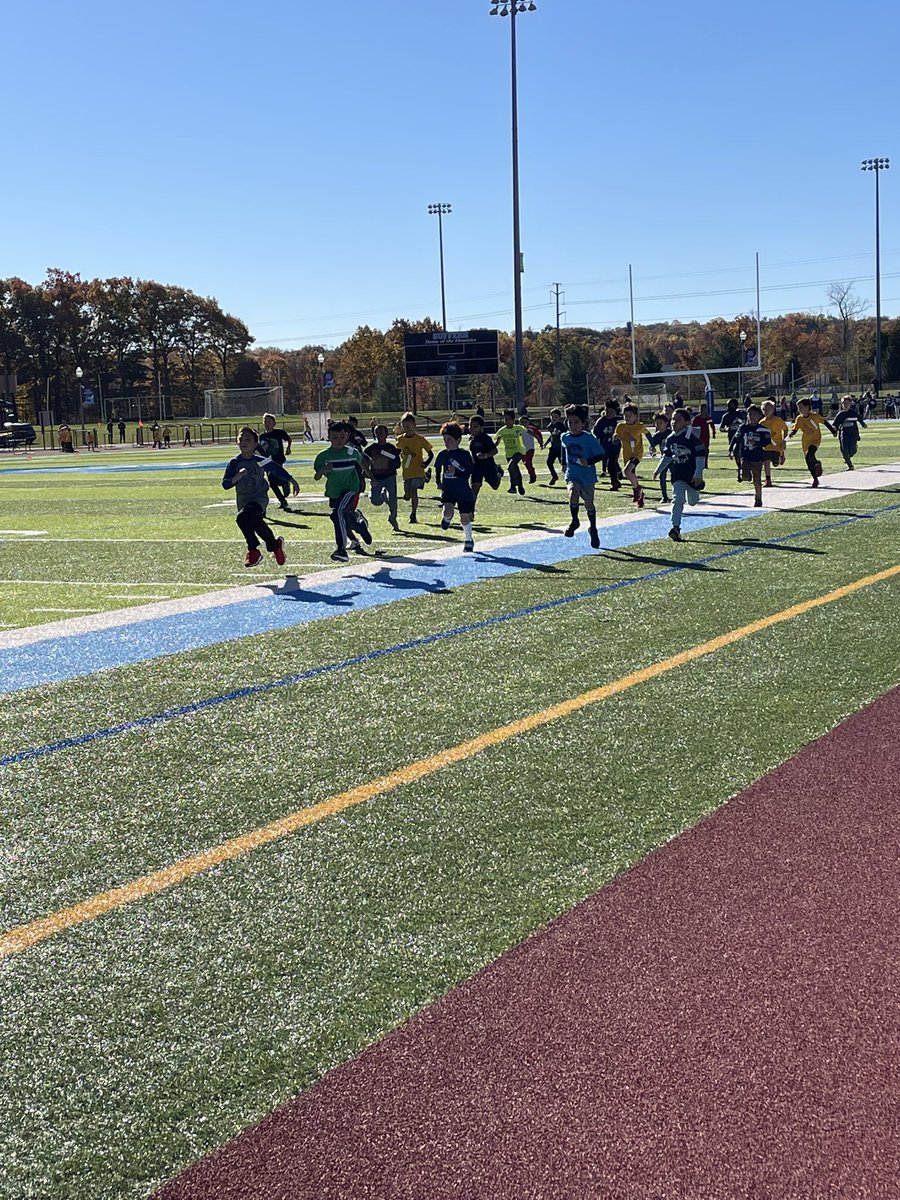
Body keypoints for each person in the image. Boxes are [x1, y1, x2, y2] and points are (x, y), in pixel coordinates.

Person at [222, 426, 298, 568]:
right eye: (241, 439)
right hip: (243, 500)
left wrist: (291, 480)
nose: (243, 442)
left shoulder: (260, 460)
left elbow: (276, 469)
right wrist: (237, 476)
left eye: (248, 439)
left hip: (259, 498)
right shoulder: (234, 463)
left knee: (241, 518)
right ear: (237, 442)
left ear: (255, 444)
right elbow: (226, 484)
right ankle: (275, 545)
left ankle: (253, 550)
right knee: (257, 525)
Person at [315, 420, 373, 562]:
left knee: (338, 513)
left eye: (342, 437)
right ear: (329, 437)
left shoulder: (352, 452)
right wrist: (324, 470)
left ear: (346, 437)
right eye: (335, 438)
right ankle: (359, 525)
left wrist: (372, 478)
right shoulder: (323, 456)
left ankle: (341, 549)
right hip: (334, 492)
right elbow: (317, 476)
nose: (339, 441)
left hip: (351, 490)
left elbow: (363, 463)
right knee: (340, 517)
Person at [655, 407, 707, 543]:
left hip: (691, 475)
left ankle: (698, 487)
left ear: (687, 422)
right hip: (677, 474)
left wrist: (698, 473)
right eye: (673, 419)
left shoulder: (690, 436)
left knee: (692, 501)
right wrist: (658, 469)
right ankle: (675, 528)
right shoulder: (670, 438)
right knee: (677, 500)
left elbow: (700, 456)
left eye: (678, 420)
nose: (674, 422)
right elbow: (667, 457)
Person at [560, 404, 604, 549]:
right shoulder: (565, 437)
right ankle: (575, 521)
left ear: (583, 423)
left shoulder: (588, 438)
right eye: (570, 422)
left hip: (587, 477)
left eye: (576, 422)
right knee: (572, 493)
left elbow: (601, 454)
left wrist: (588, 461)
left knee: (589, 504)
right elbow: (563, 448)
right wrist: (563, 462)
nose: (573, 426)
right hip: (572, 474)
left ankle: (593, 528)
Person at [434, 422, 477, 552]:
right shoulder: (443, 455)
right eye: (444, 440)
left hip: (463, 490)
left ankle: (468, 540)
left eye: (449, 440)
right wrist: (438, 482)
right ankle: (447, 518)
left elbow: (469, 471)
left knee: (464, 517)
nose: (446, 443)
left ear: (458, 440)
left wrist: (457, 472)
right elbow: (437, 468)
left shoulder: (464, 455)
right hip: (449, 489)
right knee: (448, 511)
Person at [395, 411, 434, 524]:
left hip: (418, 470)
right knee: (407, 495)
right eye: (404, 426)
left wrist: (426, 463)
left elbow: (431, 454)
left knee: (413, 491)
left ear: (414, 425)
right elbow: (396, 452)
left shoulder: (420, 439)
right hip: (407, 471)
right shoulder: (400, 439)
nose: (406, 428)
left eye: (409, 425)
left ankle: (413, 514)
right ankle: (426, 477)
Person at [789, 398, 836, 487]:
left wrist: (833, 431)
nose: (799, 410)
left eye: (801, 407)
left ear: (807, 407)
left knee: (810, 454)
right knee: (808, 460)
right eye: (798, 408)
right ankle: (815, 478)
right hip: (805, 441)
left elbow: (825, 422)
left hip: (815, 440)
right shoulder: (799, 419)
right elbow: (795, 428)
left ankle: (817, 463)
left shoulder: (814, 417)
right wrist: (792, 433)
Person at [732, 404, 772, 507]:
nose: (751, 416)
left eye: (754, 414)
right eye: (749, 414)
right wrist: (731, 449)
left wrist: (757, 441)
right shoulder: (743, 428)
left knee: (757, 480)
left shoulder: (762, 429)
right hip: (745, 456)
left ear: (759, 416)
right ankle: (746, 474)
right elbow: (736, 439)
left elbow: (767, 441)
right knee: (745, 476)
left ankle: (758, 498)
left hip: (757, 457)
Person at [365, 423, 401, 530]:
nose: (379, 434)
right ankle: (382, 496)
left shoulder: (391, 448)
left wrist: (389, 458)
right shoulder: (371, 449)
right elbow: (362, 459)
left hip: (390, 476)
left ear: (386, 434)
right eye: (377, 432)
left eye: (382, 431)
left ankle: (393, 518)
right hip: (376, 477)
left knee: (393, 500)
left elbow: (397, 463)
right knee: (375, 500)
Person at [614, 403, 651, 507]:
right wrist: (621, 438)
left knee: (627, 471)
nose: (627, 418)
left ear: (635, 416)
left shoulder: (639, 426)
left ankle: (637, 490)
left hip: (637, 454)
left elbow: (648, 434)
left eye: (630, 415)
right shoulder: (620, 426)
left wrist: (652, 445)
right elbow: (615, 437)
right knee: (631, 475)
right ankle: (640, 495)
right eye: (625, 415)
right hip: (626, 454)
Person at [258, 412, 294, 511]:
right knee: (272, 482)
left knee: (273, 478)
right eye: (265, 421)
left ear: (274, 423)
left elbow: (288, 439)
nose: (267, 423)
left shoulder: (279, 433)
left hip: (278, 459)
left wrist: (288, 448)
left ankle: (285, 482)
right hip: (267, 461)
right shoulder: (262, 437)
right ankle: (283, 500)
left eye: (269, 421)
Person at [468, 414, 502, 497]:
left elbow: (495, 450)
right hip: (476, 466)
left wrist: (485, 455)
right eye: (470, 426)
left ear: (481, 427)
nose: (472, 428)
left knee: (495, 486)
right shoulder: (471, 438)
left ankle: (499, 472)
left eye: (475, 426)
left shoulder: (485, 438)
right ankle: (470, 508)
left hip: (488, 465)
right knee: (475, 486)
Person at [495, 409, 528, 495]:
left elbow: (529, 431)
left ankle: (513, 486)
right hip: (509, 453)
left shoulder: (518, 428)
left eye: (509, 419)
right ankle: (520, 486)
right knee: (514, 469)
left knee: (511, 466)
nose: (507, 421)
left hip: (519, 451)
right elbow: (497, 442)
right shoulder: (502, 431)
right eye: (505, 419)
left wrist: (539, 439)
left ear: (513, 420)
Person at [592, 399, 622, 490]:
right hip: (604, 447)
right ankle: (618, 472)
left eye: (611, 412)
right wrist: (605, 436)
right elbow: (596, 432)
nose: (608, 413)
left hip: (615, 447)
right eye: (607, 411)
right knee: (608, 463)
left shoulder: (617, 421)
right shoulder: (601, 421)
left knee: (611, 463)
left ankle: (615, 483)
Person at [832, 396, 867, 470]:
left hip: (853, 433)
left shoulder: (853, 412)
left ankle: (851, 452)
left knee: (852, 451)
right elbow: (835, 424)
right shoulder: (840, 414)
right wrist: (834, 431)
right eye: (844, 403)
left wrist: (863, 424)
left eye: (847, 403)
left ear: (850, 404)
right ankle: (850, 466)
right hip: (843, 434)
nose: (845, 405)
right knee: (844, 450)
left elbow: (859, 418)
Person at [760, 399, 788, 487]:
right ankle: (768, 480)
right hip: (766, 447)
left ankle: (781, 456)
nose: (766, 411)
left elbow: (785, 429)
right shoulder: (761, 422)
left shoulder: (778, 420)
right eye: (764, 409)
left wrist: (784, 441)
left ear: (772, 410)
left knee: (776, 463)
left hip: (777, 446)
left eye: (768, 409)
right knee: (766, 461)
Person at [647, 411, 672, 502]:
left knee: (675, 476)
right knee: (662, 476)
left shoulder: (671, 433)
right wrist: (652, 450)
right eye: (657, 423)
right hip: (664, 458)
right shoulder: (657, 436)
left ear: (666, 423)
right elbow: (652, 446)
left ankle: (677, 494)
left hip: (673, 458)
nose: (659, 425)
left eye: (661, 423)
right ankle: (664, 496)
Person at [719, 398, 744, 480]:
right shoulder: (726, 416)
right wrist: (728, 428)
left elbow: (746, 422)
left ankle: (744, 469)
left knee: (744, 454)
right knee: (736, 454)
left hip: (743, 437)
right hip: (732, 438)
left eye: (732, 405)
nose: (730, 407)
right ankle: (740, 469)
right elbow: (721, 428)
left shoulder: (741, 414)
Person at [520, 413, 544, 483]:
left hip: (530, 449)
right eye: (521, 422)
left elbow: (538, 435)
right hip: (522, 449)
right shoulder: (518, 430)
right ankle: (532, 473)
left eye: (525, 422)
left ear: (528, 422)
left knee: (528, 462)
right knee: (526, 463)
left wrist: (541, 443)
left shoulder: (531, 429)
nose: (523, 424)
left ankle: (532, 476)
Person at [545, 407, 566, 485]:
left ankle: (571, 478)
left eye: (555, 417)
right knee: (549, 462)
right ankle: (554, 476)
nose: (553, 418)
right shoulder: (550, 426)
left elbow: (565, 436)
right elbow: (552, 436)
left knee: (563, 465)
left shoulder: (561, 426)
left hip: (561, 448)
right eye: (552, 416)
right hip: (553, 448)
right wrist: (546, 443)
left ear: (559, 417)